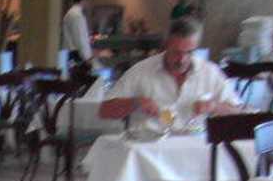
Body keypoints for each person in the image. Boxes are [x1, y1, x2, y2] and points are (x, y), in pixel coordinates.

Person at [98, 17, 241, 127]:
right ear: (166, 46)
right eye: (176, 52)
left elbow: (238, 112)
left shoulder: (210, 72)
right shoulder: (141, 71)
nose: (182, 59)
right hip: (150, 149)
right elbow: (104, 111)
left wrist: (214, 106)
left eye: (189, 52)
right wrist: (135, 103)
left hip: (195, 148)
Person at [63, 0, 93, 66]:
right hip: (76, 55)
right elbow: (80, 37)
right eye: (88, 0)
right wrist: (87, 57)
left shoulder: (70, 13)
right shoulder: (77, 15)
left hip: (69, 53)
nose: (89, 3)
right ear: (84, 0)